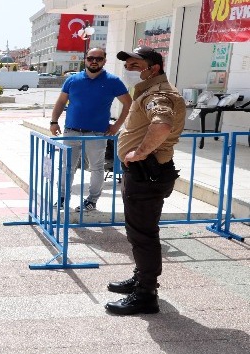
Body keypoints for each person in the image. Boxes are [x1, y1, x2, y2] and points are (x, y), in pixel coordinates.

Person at [105, 46, 186, 315]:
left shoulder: (158, 94)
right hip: (143, 173)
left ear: (153, 68)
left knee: (143, 235)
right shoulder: (147, 91)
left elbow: (161, 124)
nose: (129, 70)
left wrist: (139, 153)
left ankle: (146, 294)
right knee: (138, 232)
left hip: (147, 173)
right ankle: (141, 279)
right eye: (127, 66)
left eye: (135, 66)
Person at [50, 48, 132, 212]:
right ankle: (62, 198)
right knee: (67, 167)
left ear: (104, 61)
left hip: (97, 133)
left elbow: (128, 103)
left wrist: (117, 126)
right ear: (85, 60)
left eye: (98, 58)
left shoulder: (113, 81)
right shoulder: (73, 80)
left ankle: (91, 201)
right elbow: (61, 102)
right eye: (91, 58)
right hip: (71, 131)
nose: (94, 61)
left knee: (96, 168)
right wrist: (54, 121)